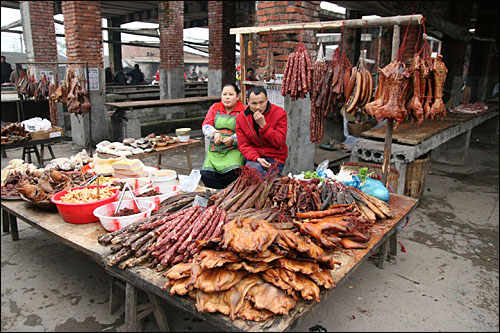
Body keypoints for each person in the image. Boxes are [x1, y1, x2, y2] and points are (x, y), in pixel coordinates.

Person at [200, 83, 246, 189]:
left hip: (233, 150)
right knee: (206, 175)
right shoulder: (215, 108)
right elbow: (206, 125)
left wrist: (233, 139)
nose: (227, 97)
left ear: (238, 96)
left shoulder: (243, 111)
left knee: (233, 173)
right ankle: (220, 194)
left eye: (231, 94)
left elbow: (245, 132)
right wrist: (214, 134)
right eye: (224, 94)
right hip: (215, 150)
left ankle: (228, 194)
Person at [236, 86, 288, 177]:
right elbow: (243, 145)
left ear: (267, 99)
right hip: (254, 157)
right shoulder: (241, 117)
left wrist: (264, 125)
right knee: (254, 174)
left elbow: (280, 142)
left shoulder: (279, 113)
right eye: (254, 103)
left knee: (270, 184)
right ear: (248, 101)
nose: (258, 107)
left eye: (261, 102)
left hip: (275, 157)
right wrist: (257, 158)